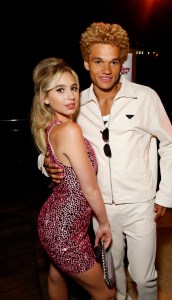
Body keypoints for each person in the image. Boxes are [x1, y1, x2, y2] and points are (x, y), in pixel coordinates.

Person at [38, 22, 172, 300]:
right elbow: (52, 141)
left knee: (144, 276)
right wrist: (44, 164)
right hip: (100, 207)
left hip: (141, 204)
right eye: (98, 61)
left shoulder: (144, 97)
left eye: (113, 61)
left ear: (122, 63)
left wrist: (165, 195)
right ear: (86, 62)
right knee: (112, 273)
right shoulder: (75, 103)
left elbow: (170, 143)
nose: (106, 69)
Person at [30, 57, 116, 300]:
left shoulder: (53, 127)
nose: (71, 96)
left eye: (74, 88)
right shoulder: (69, 129)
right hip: (64, 229)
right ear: (45, 97)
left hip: (54, 222)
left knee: (57, 276)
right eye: (60, 90)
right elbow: (89, 188)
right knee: (106, 293)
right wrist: (105, 224)